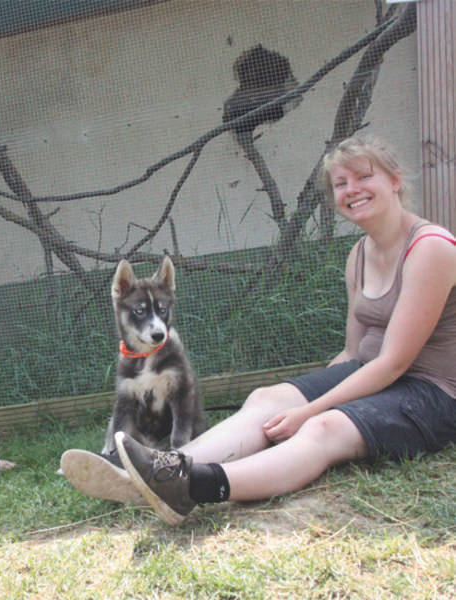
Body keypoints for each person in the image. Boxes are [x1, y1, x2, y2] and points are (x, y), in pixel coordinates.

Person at [62, 134, 456, 525]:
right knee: (267, 399)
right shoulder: (359, 255)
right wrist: (300, 398)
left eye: (363, 177)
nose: (351, 190)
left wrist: (310, 409)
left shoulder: (430, 250)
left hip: (432, 392)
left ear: (395, 180)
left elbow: (392, 363)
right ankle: (155, 471)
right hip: (375, 374)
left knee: (323, 427)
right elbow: (353, 355)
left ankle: (195, 485)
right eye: (340, 183)